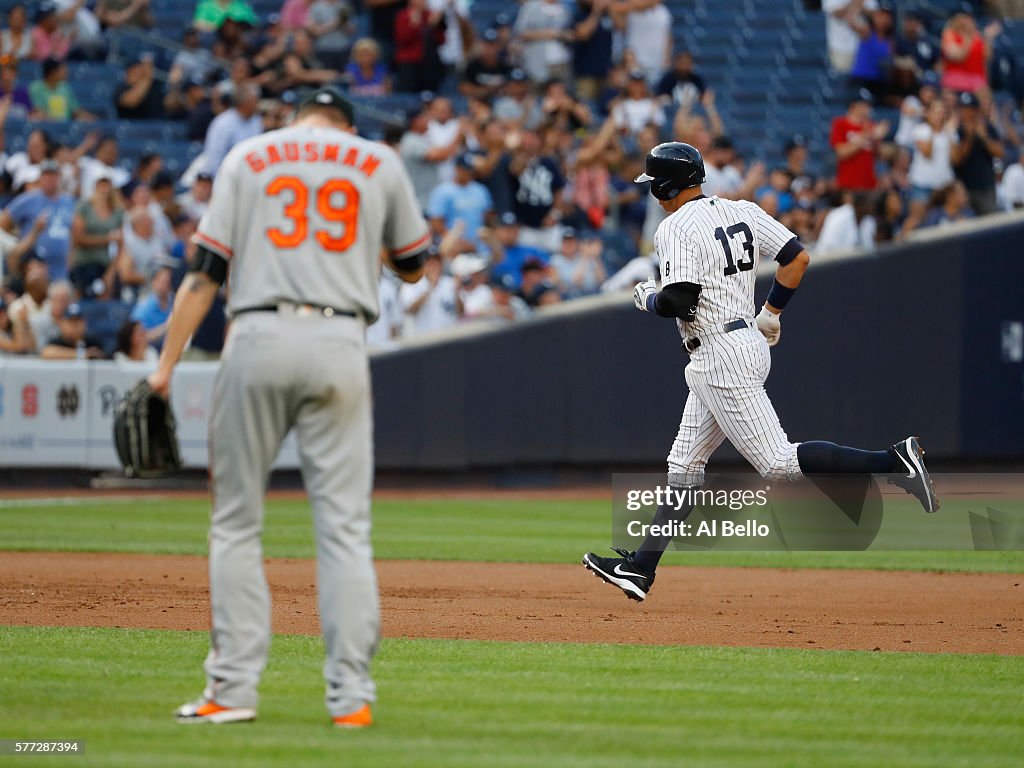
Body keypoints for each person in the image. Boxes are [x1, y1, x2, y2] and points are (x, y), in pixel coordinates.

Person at [149, 86, 429, 727]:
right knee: (344, 530)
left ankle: (231, 692)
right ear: (346, 125)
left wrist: (165, 368)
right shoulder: (376, 161)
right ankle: (351, 701)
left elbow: (204, 272)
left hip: (257, 334)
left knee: (236, 524)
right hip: (340, 341)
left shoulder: (249, 156)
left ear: (295, 117)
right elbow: (413, 266)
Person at [581, 142, 938, 602]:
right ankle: (640, 568)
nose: (653, 193)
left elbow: (678, 301)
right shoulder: (741, 209)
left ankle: (895, 461)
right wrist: (771, 312)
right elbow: (797, 258)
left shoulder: (674, 227)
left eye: (654, 185)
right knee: (685, 464)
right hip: (744, 338)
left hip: (718, 352)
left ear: (666, 186)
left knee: (778, 463)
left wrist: (646, 296)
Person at [0, 160, 75, 281]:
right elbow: (3, 222)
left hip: (61, 267)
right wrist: (16, 239)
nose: (50, 179)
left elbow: (73, 231)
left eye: (53, 175)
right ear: (40, 178)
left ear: (59, 177)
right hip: (34, 265)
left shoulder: (68, 201)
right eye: (46, 175)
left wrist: (71, 259)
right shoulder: (29, 199)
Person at [68, 173, 123, 298]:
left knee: (106, 297)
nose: (104, 188)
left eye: (107, 184)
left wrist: (111, 272)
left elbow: (121, 244)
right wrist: (107, 239)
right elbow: (78, 238)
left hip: (104, 264)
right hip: (83, 263)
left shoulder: (117, 211)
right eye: (101, 184)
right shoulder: (84, 206)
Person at [951, 91, 1005, 216]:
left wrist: (984, 137)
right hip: (964, 190)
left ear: (976, 110)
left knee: (991, 225)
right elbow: (957, 159)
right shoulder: (955, 130)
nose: (966, 113)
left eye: (969, 109)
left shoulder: (987, 127)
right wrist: (969, 138)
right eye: (963, 109)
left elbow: (1000, 153)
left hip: (986, 188)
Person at [830, 91, 889, 191]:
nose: (867, 109)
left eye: (868, 106)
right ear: (853, 106)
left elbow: (879, 156)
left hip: (869, 184)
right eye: (864, 105)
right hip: (848, 184)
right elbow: (841, 152)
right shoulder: (840, 123)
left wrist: (877, 140)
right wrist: (867, 136)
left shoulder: (871, 126)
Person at [202, 83, 263, 176]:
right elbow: (214, 158)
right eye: (254, 101)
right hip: (227, 175)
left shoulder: (256, 120)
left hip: (250, 174)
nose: (257, 104)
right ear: (244, 103)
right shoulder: (223, 123)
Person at [514, 0, 571, 84]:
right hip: (535, 60)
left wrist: (563, 35)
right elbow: (520, 33)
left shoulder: (565, 8)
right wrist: (547, 34)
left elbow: (571, 34)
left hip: (560, 60)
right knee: (537, 91)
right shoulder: (531, 6)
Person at [29, 56, 93, 122]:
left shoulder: (65, 87)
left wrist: (95, 121)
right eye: (62, 69)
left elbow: (76, 110)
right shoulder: (36, 88)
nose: (66, 71)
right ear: (53, 72)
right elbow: (38, 111)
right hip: (45, 125)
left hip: (66, 127)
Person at [822, 0, 876, 74]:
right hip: (841, 48)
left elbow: (873, 13)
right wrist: (857, 3)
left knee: (864, 81)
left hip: (864, 46)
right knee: (842, 79)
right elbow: (837, 13)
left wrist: (853, 9)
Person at [40, 301, 106, 359]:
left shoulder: (92, 342)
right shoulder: (57, 341)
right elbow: (47, 352)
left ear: (85, 323)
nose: (75, 325)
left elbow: (102, 354)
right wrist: (82, 355)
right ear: (62, 324)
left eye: (78, 320)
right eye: (71, 321)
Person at [115, 54, 165, 120]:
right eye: (135, 69)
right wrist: (147, 77)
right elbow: (130, 102)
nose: (140, 72)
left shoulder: (154, 89)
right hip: (131, 128)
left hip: (154, 126)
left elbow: (167, 105)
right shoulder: (121, 89)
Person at [192, 0, 259, 32]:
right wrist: (222, 28)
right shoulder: (206, 6)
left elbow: (254, 26)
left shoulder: (242, 7)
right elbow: (197, 24)